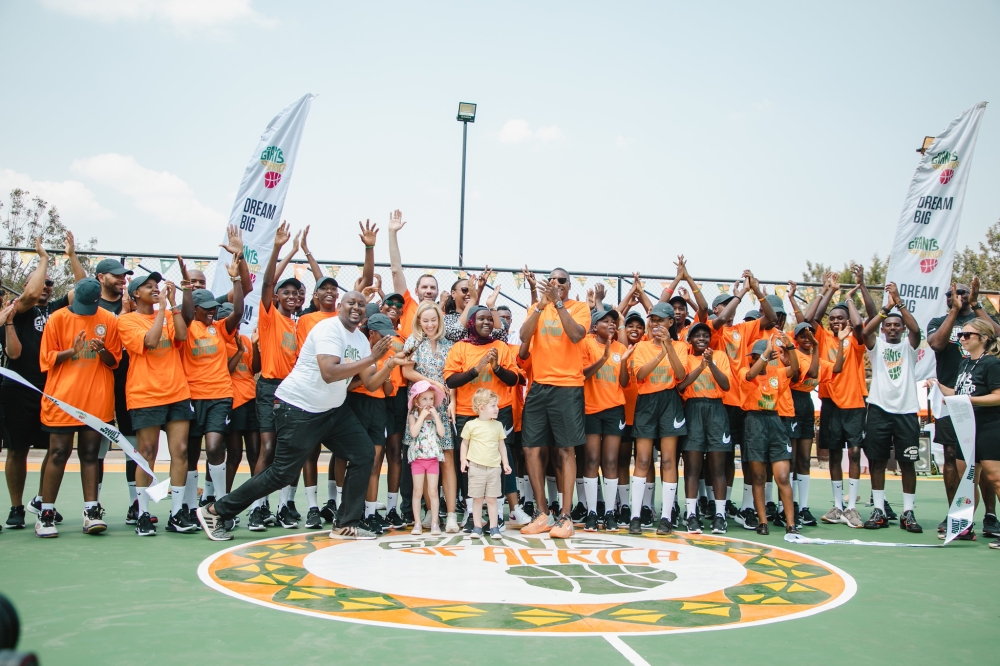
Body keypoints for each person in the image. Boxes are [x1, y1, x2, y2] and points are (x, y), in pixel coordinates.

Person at [197, 290, 400, 541]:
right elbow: (329, 372)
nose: (357, 307)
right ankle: (215, 510)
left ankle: (345, 523)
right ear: (339, 307)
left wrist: (388, 365)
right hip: (299, 407)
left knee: (364, 453)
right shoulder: (329, 329)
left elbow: (370, 383)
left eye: (361, 304)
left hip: (332, 410)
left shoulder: (359, 340)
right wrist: (372, 357)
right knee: (281, 473)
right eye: (351, 303)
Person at [34, 278, 121, 538]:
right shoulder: (57, 319)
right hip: (62, 400)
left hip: (96, 399)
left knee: (91, 454)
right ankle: (46, 513)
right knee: (58, 452)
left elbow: (113, 361)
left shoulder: (108, 319)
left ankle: (91, 511)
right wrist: (72, 351)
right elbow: (46, 359)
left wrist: (103, 349)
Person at [517, 268, 591, 539]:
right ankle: (542, 513)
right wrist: (540, 306)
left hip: (568, 386)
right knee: (531, 448)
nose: (557, 284)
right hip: (539, 386)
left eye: (562, 281)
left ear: (569, 285)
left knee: (565, 450)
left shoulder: (579, 307)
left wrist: (558, 304)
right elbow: (525, 337)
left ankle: (566, 516)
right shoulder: (537, 308)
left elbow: (576, 335)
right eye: (553, 280)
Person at [118, 272, 193, 535]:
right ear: (135, 294)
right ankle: (143, 513)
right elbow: (149, 341)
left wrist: (172, 304)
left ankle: (176, 513)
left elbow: (181, 336)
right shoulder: (127, 321)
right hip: (145, 394)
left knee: (181, 451)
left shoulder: (169, 313)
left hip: (177, 392)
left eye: (156, 286)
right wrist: (161, 309)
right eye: (147, 286)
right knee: (146, 453)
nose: (154, 289)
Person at [927, 277, 1000, 538]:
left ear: (982, 337)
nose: (962, 338)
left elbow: (997, 396)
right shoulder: (964, 363)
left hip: (988, 425)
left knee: (994, 478)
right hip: (965, 425)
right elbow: (959, 392)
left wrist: (970, 400)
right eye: (961, 334)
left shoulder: (992, 363)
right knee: (966, 481)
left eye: (966, 335)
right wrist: (940, 386)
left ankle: (991, 517)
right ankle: (964, 525)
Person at [179, 239, 245, 532]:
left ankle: (220, 503)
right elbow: (181, 314)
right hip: (192, 396)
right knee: (191, 454)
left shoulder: (219, 328)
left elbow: (238, 311)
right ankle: (189, 507)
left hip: (220, 395)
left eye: (212, 308)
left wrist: (236, 278)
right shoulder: (183, 326)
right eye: (204, 308)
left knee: (215, 446)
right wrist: (184, 291)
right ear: (194, 307)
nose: (210, 311)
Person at [444, 305, 520, 532]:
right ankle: (471, 512)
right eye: (481, 319)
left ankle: (499, 514)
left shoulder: (501, 347)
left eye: (490, 319)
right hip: (468, 412)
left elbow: (513, 380)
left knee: (501, 463)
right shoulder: (460, 348)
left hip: (499, 411)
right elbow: (450, 381)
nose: (486, 323)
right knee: (468, 463)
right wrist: (475, 370)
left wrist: (496, 368)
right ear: (471, 323)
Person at [859, 283, 924, 533]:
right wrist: (886, 308)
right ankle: (879, 509)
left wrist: (900, 304)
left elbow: (916, 329)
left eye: (898, 325)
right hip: (879, 410)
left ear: (902, 329)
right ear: (884, 328)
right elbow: (866, 332)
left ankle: (908, 512)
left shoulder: (909, 346)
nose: (893, 328)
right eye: (889, 325)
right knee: (878, 460)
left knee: (907, 462)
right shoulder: (878, 347)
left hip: (906, 410)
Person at [251, 221, 303, 528]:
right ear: (277, 297)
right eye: (286, 292)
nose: (292, 296)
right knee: (268, 448)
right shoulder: (270, 318)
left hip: (294, 392)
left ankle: (284, 506)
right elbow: (267, 283)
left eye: (296, 292)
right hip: (270, 389)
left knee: (290, 448)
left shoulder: (299, 327)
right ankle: (259, 505)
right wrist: (280, 248)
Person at [808, 275, 871, 528]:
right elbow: (812, 319)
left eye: (840, 318)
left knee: (854, 453)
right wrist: (827, 291)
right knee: (833, 454)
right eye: (832, 318)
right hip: (830, 403)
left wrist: (847, 299)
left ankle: (852, 508)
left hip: (854, 403)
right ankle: (837, 505)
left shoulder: (855, 341)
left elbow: (858, 325)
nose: (835, 321)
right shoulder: (823, 337)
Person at [2, 237, 56, 529]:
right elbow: (32, 293)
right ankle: (15, 507)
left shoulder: (57, 311)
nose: (46, 287)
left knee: (54, 447)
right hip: (18, 389)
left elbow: (88, 290)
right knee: (18, 449)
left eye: (50, 284)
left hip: (52, 391)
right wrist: (43, 258)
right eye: (41, 282)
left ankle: (41, 501)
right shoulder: (17, 310)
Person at [627, 301, 688, 535]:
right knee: (642, 460)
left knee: (669, 460)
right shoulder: (642, 347)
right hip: (647, 403)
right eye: (652, 320)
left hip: (669, 402)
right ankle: (635, 516)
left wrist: (669, 347)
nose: (655, 324)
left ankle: (666, 517)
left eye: (660, 320)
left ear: (671, 322)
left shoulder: (680, 347)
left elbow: (681, 375)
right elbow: (640, 374)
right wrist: (661, 351)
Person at [401, 302, 456, 529]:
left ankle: (451, 515)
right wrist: (432, 383)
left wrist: (452, 400)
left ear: (439, 320)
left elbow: (453, 375)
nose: (430, 324)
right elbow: (407, 371)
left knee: (447, 459)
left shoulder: (450, 345)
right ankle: (431, 513)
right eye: (425, 320)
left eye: (433, 320)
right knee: (425, 458)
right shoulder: (413, 342)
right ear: (418, 321)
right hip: (421, 406)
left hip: (442, 407)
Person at [675, 322, 732, 535]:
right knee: (692, 466)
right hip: (693, 409)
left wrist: (711, 365)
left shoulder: (721, 357)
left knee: (717, 467)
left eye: (705, 335)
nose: (702, 338)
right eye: (697, 335)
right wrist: (701, 366)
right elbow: (680, 386)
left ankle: (720, 515)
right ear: (689, 340)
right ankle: (691, 514)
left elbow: (726, 386)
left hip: (716, 410)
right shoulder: (687, 359)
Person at [742, 337, 799, 535]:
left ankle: (791, 523)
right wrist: (765, 356)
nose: (757, 359)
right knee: (758, 476)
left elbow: (794, 369)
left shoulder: (777, 373)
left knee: (782, 476)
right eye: (756, 356)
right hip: (754, 422)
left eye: (761, 355)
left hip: (775, 421)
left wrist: (790, 348)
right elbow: (750, 374)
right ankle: (763, 521)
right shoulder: (746, 372)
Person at [788, 321, 842, 527]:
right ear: (797, 339)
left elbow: (837, 367)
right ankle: (788, 506)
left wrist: (842, 341)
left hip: (807, 405)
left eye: (810, 335)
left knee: (804, 459)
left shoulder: (817, 357)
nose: (807, 339)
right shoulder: (796, 356)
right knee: (790, 459)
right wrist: (817, 345)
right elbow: (811, 373)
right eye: (803, 336)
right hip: (792, 402)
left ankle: (803, 507)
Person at [580, 308, 628, 531]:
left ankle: (609, 512)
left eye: (613, 321)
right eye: (605, 321)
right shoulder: (586, 343)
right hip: (590, 409)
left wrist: (621, 359)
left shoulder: (621, 347)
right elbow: (583, 374)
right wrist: (604, 358)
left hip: (614, 410)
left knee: (610, 461)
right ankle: (592, 511)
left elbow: (625, 382)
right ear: (594, 325)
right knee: (591, 460)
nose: (610, 324)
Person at [217, 301, 257, 525]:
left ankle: (256, 506)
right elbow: (224, 370)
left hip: (250, 399)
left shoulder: (244, 341)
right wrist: (240, 351)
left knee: (254, 454)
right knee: (233, 455)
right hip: (232, 401)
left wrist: (254, 346)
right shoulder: (219, 341)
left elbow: (254, 368)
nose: (235, 326)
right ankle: (223, 504)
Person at [460, 388, 512, 538]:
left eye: (497, 405)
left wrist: (505, 463)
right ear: (481, 408)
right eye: (493, 406)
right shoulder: (471, 425)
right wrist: (464, 460)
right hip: (476, 468)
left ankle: (494, 526)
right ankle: (477, 526)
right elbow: (464, 443)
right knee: (477, 498)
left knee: (492, 499)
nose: (497, 408)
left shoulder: (498, 425)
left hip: (494, 468)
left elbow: (501, 446)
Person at [387, 210, 439, 340]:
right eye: (424, 287)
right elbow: (396, 271)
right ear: (416, 290)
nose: (428, 291)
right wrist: (392, 233)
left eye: (432, 288)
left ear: (437, 291)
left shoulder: (440, 314)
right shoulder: (408, 304)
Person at [407, 380, 446, 535]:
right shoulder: (413, 416)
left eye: (431, 399)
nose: (428, 402)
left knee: (433, 491)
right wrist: (422, 417)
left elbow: (442, 433)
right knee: (417, 491)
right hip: (418, 459)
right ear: (416, 401)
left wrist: (436, 417)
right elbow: (414, 433)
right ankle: (417, 522)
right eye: (424, 399)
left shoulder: (435, 415)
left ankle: (435, 523)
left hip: (432, 460)